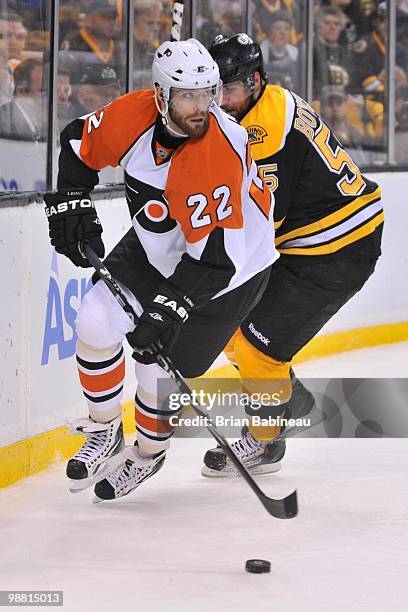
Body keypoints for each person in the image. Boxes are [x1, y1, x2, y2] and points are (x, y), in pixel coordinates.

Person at [43, 38, 277, 500]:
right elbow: (76, 143)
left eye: (208, 94)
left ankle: (148, 454)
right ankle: (104, 429)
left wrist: (168, 309)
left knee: (155, 369)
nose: (201, 107)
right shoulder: (132, 116)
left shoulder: (217, 151)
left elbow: (214, 259)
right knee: (93, 318)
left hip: (231, 272)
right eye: (188, 96)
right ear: (160, 95)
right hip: (158, 245)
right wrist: (70, 203)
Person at [201, 33, 383, 477]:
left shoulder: (263, 133)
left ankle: (265, 444)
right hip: (312, 242)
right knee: (227, 325)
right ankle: (288, 398)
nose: (219, 101)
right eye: (212, 90)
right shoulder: (266, 103)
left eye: (229, 89)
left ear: (256, 81)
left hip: (335, 250)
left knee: (256, 346)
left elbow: (260, 226)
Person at [0, 57, 45, 140]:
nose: (47, 97)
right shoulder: (4, 120)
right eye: (42, 91)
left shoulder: (44, 118)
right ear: (20, 92)